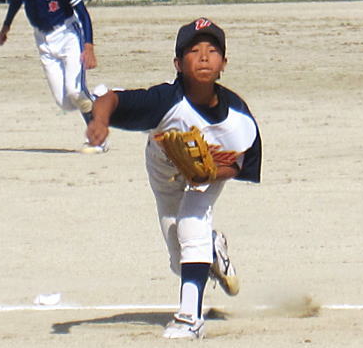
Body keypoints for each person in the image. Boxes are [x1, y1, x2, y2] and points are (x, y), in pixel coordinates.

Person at [85, 18, 262, 339]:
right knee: (180, 255)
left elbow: (239, 165)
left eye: (212, 50)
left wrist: (208, 173)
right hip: (162, 170)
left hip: (208, 174)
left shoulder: (239, 119)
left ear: (224, 63)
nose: (204, 56)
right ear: (178, 64)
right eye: (194, 51)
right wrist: (100, 122)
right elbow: (109, 98)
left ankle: (189, 318)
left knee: (191, 223)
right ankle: (211, 249)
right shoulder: (165, 101)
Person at [0, 0, 105, 153]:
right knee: (64, 102)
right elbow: (17, 0)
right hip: (43, 40)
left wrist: (89, 46)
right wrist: (6, 26)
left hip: (68, 36)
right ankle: (101, 98)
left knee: (76, 93)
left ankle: (98, 140)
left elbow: (82, 13)